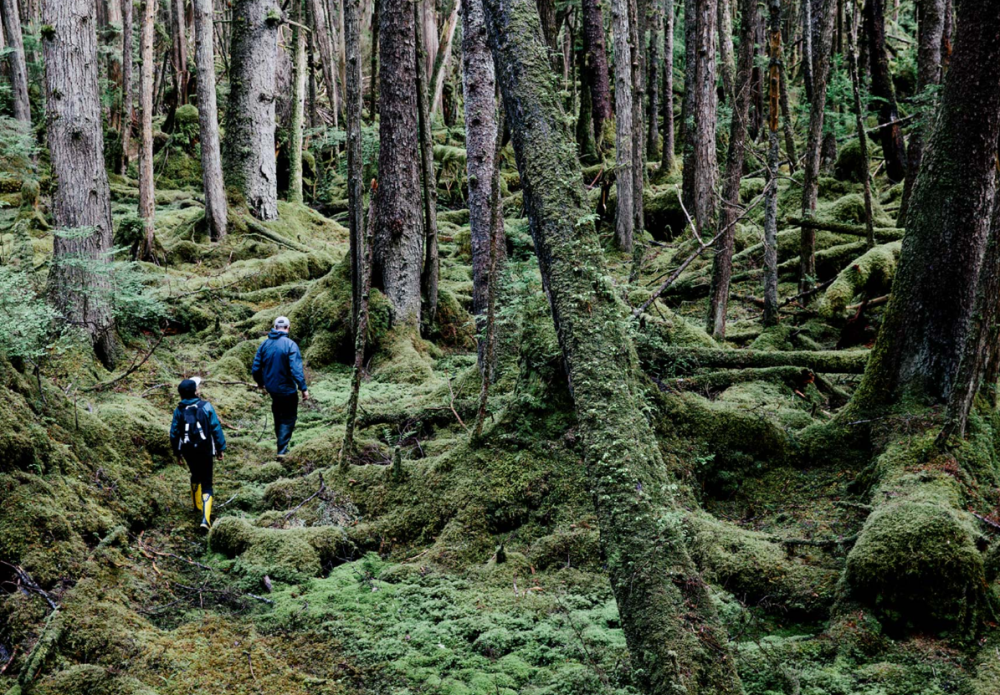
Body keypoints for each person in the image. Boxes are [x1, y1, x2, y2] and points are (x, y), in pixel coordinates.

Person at [169, 377, 226, 531]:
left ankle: (196, 506)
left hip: (188, 450)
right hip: (205, 449)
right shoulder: (206, 406)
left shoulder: (179, 410)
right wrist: (220, 448)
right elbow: (215, 427)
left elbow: (174, 433)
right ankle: (205, 520)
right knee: (207, 481)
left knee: (195, 474)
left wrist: (177, 452)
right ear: (195, 391)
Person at [252, 316, 310, 458]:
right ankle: (282, 450)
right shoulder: (290, 345)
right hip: (288, 390)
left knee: (278, 415)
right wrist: (303, 388)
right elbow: (296, 370)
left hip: (273, 389)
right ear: (288, 328)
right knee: (288, 417)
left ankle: (280, 444)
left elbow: (255, 368)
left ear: (275, 327)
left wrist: (260, 383)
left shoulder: (264, 345)